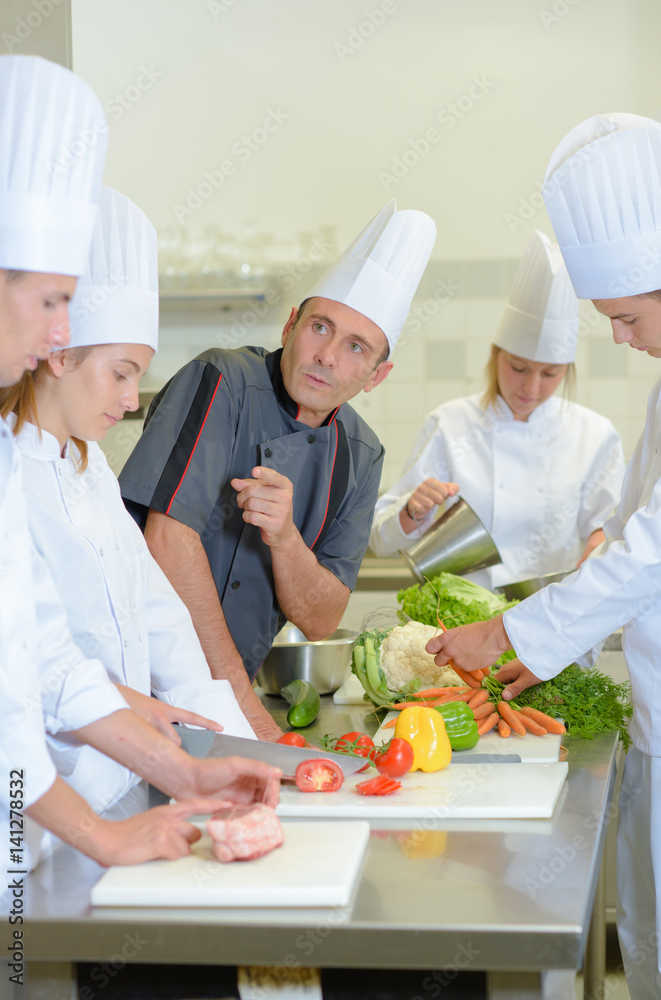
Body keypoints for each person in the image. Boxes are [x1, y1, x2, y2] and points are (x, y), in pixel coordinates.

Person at [0, 55, 279, 901]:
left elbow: (41, 658)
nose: (55, 336)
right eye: (49, 303)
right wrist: (105, 834)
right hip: (34, 812)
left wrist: (185, 771)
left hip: (32, 828)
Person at [427, 113, 661, 1000]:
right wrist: (535, 638)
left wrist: (514, 636)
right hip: (647, 707)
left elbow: (642, 554)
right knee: (641, 939)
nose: (620, 338)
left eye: (627, 317)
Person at [119, 201, 437, 738]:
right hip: (132, 684)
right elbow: (168, 540)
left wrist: (287, 539)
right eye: (320, 327)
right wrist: (243, 707)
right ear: (291, 325)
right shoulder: (220, 379)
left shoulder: (361, 453)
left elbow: (320, 618)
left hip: (224, 705)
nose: (327, 355)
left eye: (355, 346)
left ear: (376, 376)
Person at [0, 186, 259, 816]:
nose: (135, 399)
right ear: (59, 355)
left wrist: (233, 747)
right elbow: (27, 669)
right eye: (120, 372)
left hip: (127, 778)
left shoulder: (91, 470)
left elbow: (163, 623)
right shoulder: (11, 474)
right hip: (40, 798)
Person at [369, 229, 625, 589]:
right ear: (495, 356)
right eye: (518, 368)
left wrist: (597, 549)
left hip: (552, 615)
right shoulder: (450, 424)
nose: (531, 387)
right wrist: (413, 511)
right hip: (466, 621)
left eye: (550, 374)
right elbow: (379, 540)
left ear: (567, 370)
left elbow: (607, 528)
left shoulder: (594, 435)